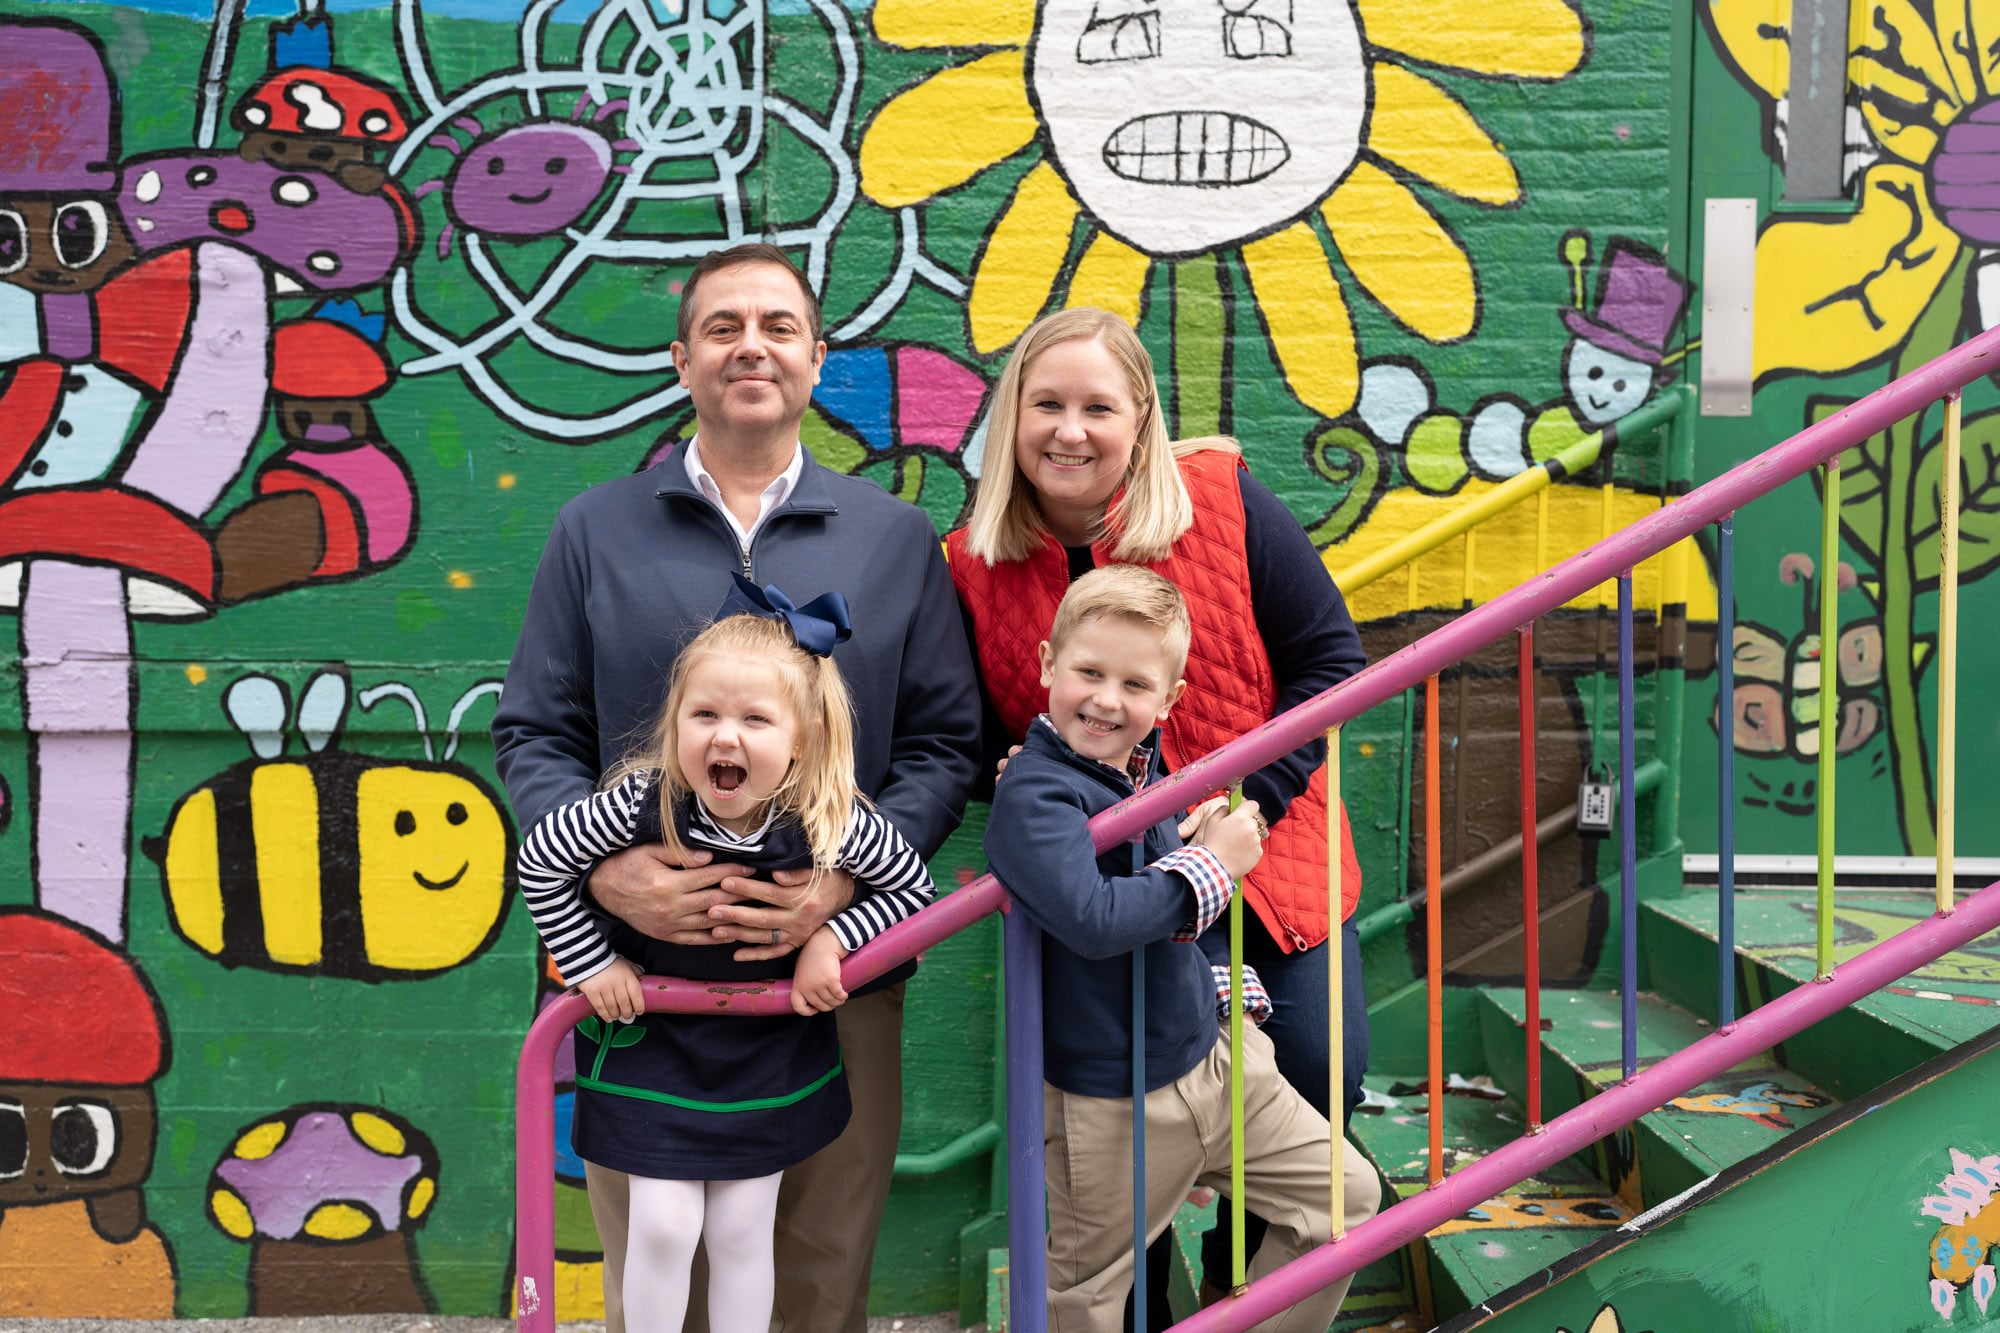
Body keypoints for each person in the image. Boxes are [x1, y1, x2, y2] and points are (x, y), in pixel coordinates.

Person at [492, 243, 982, 1333]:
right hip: (640, 980)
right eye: (722, 328)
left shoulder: (895, 537)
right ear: (682, 361)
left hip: (833, 976)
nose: (750, 347)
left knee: (815, 1267)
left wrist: (842, 894)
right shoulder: (594, 529)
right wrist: (606, 878)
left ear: (816, 358)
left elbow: (945, 745)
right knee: (662, 1264)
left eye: (776, 326)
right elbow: (533, 733)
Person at [946, 307, 1369, 1309]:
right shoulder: (971, 563)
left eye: (1098, 407)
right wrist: (1011, 773)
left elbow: (1330, 662)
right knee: (1120, 1147)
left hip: (1272, 856)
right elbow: (966, 737)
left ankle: (1239, 1290)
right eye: (1046, 404)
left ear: (1140, 417)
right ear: (1011, 418)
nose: (1070, 430)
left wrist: (1246, 805)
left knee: (1319, 1075)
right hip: (1115, 899)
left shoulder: (1220, 497)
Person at [516, 593, 938, 1332]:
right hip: (652, 1047)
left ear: (803, 738)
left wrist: (832, 940)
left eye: (755, 720)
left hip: (764, 1052)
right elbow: (541, 859)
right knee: (662, 1225)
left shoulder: (829, 818)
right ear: (675, 722)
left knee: (743, 1229)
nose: (725, 736)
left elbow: (913, 891)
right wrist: (592, 963)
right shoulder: (641, 801)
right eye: (704, 714)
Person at [983, 566, 1380, 1332]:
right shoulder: (1034, 792)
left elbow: (1168, 918)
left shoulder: (1147, 771)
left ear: (1169, 699)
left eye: (1135, 684)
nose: (1106, 700)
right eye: (1089, 672)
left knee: (1345, 1202)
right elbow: (1093, 917)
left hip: (1218, 1066)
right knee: (1086, 1301)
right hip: (1112, 1106)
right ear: (1047, 666)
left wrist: (1226, 988)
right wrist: (1214, 865)